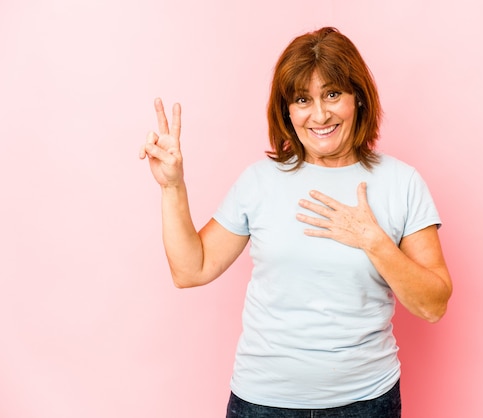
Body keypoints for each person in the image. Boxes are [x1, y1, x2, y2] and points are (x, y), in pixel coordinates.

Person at [140, 27, 452, 418]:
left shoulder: (401, 183)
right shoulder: (259, 181)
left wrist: (374, 242)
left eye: (333, 94)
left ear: (358, 98)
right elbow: (191, 270)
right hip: (263, 403)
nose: (319, 115)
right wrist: (172, 186)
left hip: (366, 403)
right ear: (286, 110)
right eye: (303, 99)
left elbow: (433, 305)